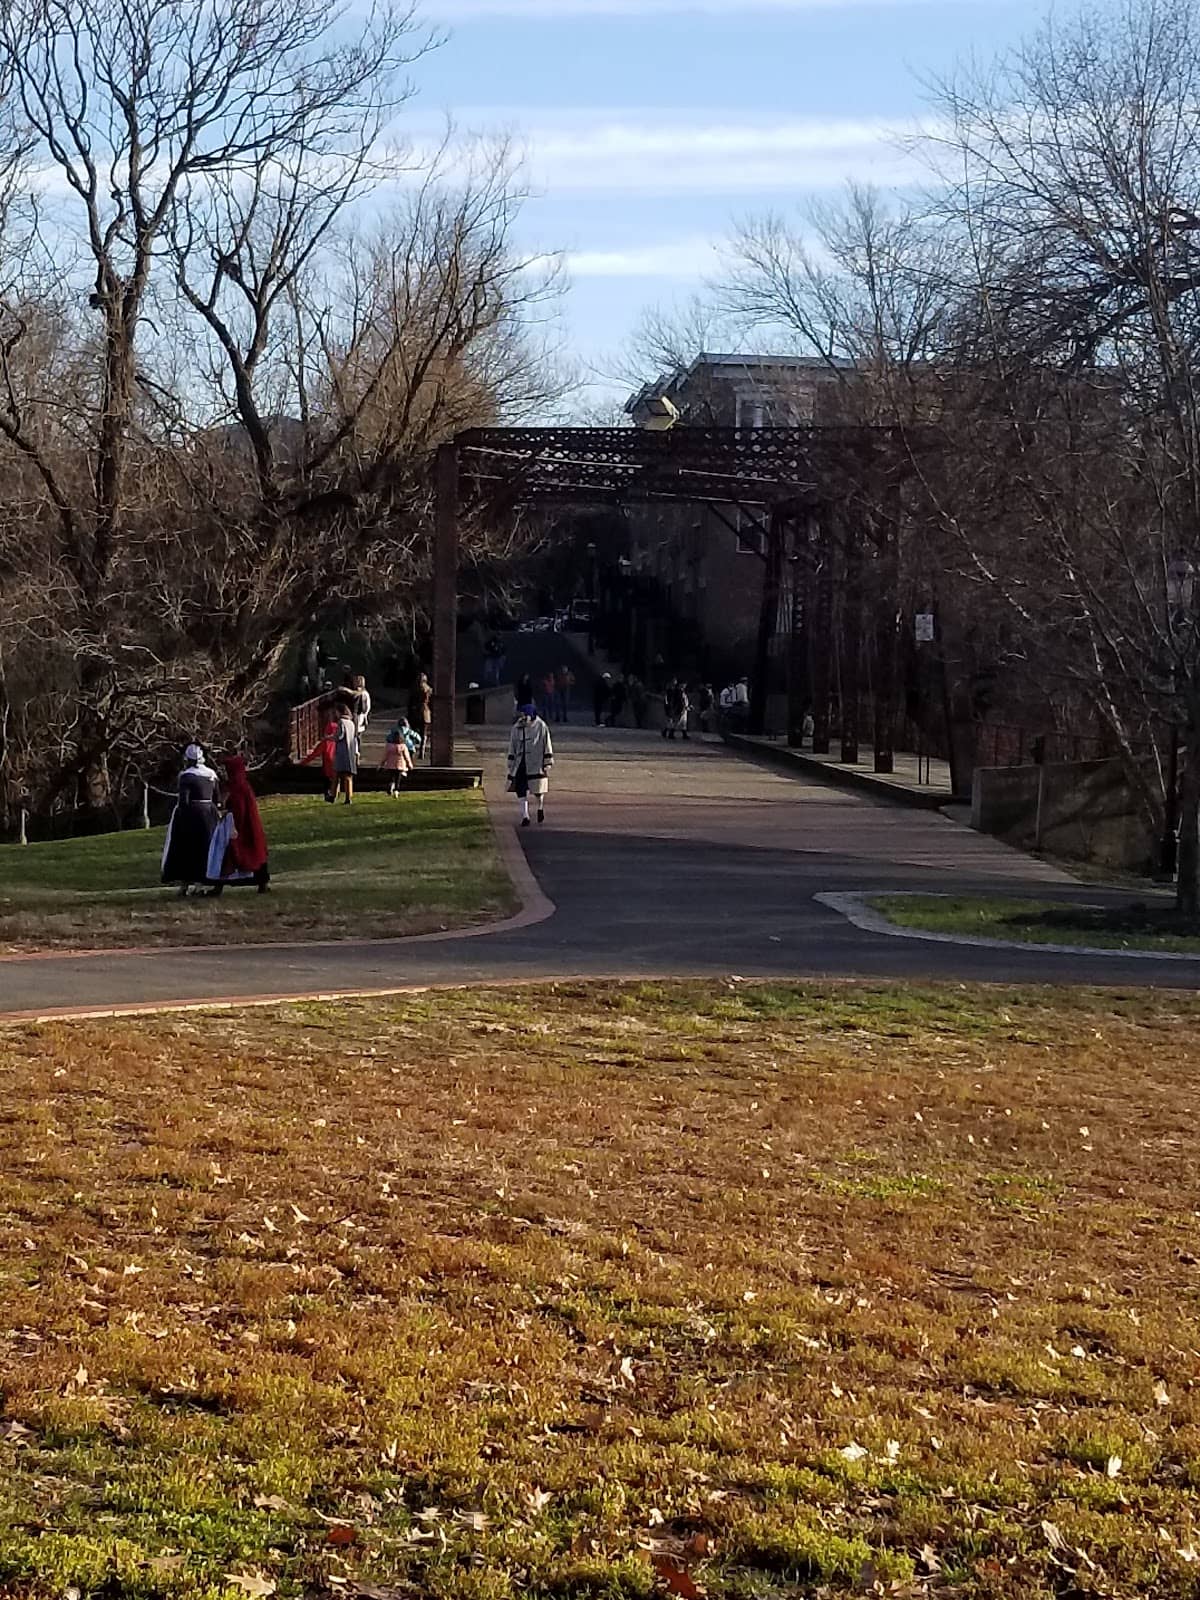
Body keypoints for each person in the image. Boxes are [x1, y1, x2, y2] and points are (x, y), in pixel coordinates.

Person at [161, 744, 220, 895]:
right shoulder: (211, 775)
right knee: (205, 849)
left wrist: (181, 815)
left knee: (185, 849)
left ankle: (184, 885)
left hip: (191, 815)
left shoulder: (186, 776)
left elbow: (183, 800)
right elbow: (217, 798)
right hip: (209, 815)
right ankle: (201, 883)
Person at [207, 754, 270, 895]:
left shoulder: (238, 787)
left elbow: (239, 808)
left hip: (239, 825)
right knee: (255, 852)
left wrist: (233, 824)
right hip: (248, 825)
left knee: (228, 853)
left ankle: (219, 887)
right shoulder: (243, 785)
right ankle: (262, 883)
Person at [507, 702, 554, 827]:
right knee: (520, 789)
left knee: (538, 789)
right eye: (521, 714)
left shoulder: (541, 726)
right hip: (521, 763)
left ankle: (540, 808)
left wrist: (547, 762)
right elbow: (512, 745)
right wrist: (511, 762)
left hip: (536, 762)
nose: (523, 717)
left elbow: (547, 744)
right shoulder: (516, 727)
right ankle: (525, 815)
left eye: (525, 715)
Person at [300, 713, 339, 802]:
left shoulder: (325, 742)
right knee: (336, 780)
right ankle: (335, 795)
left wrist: (304, 762)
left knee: (327, 781)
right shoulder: (338, 741)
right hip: (338, 764)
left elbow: (315, 754)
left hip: (328, 767)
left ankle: (328, 795)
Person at [332, 698, 359, 804]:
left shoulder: (341, 722)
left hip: (342, 752)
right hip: (350, 752)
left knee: (337, 775)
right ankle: (348, 797)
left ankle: (333, 795)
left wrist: (331, 737)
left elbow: (340, 736)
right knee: (348, 776)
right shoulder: (351, 723)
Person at [381, 721, 415, 796]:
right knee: (398, 779)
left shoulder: (389, 746)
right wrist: (410, 765)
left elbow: (385, 756)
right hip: (400, 766)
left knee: (391, 778)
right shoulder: (403, 747)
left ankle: (390, 786)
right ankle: (396, 790)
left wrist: (381, 764)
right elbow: (407, 757)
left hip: (390, 765)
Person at [408, 672, 432, 760]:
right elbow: (431, 702)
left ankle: (412, 750)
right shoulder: (429, 689)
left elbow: (410, 702)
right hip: (425, 713)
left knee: (412, 733)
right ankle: (422, 752)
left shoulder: (414, 689)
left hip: (415, 713)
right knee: (424, 734)